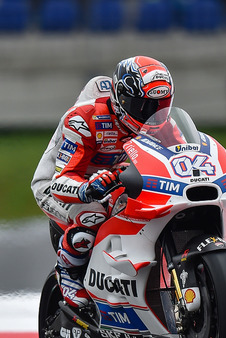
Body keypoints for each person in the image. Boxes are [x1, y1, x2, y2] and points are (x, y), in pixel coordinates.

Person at [31, 56, 174, 308]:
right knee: (94, 214)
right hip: (60, 185)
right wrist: (88, 188)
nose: (152, 114)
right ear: (123, 99)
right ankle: (68, 272)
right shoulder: (84, 119)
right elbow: (60, 181)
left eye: (160, 105)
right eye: (144, 106)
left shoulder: (160, 124)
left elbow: (180, 153)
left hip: (113, 180)